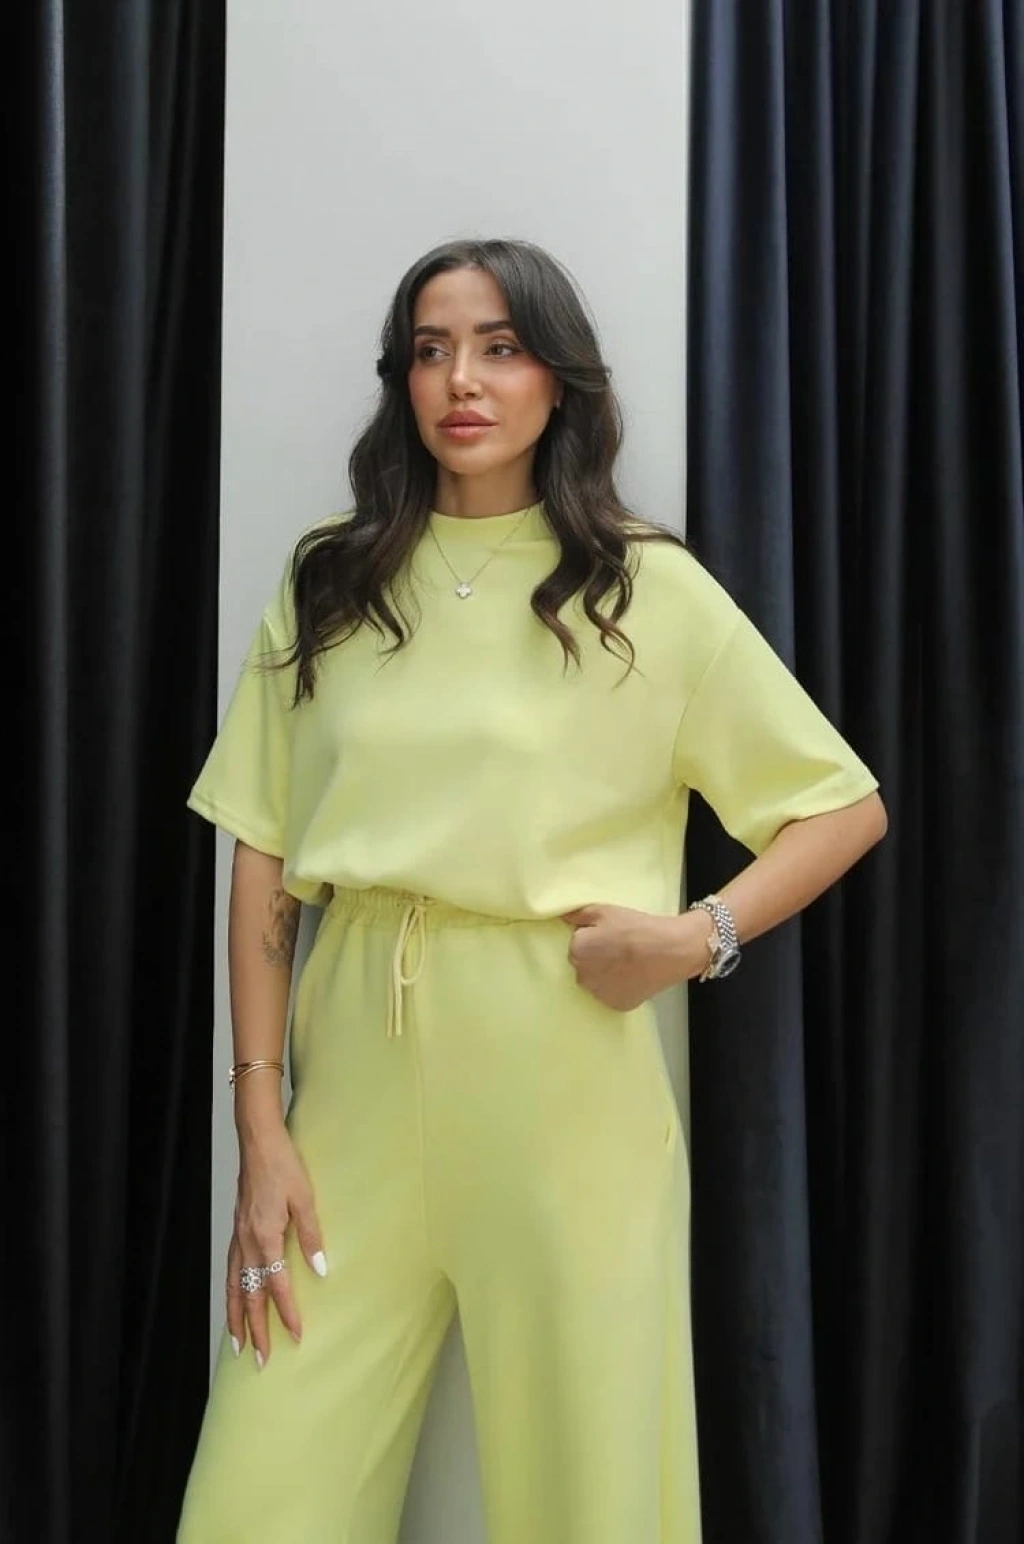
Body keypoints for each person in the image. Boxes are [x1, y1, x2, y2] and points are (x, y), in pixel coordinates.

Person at [177, 237, 886, 1544]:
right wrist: (260, 1128)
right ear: (401, 380)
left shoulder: (642, 589)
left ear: (558, 379)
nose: (463, 379)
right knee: (259, 1493)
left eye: (500, 347)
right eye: (432, 350)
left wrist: (697, 936)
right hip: (354, 1080)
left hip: (566, 1078)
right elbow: (263, 852)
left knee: (589, 1497)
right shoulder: (329, 581)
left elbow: (843, 804)